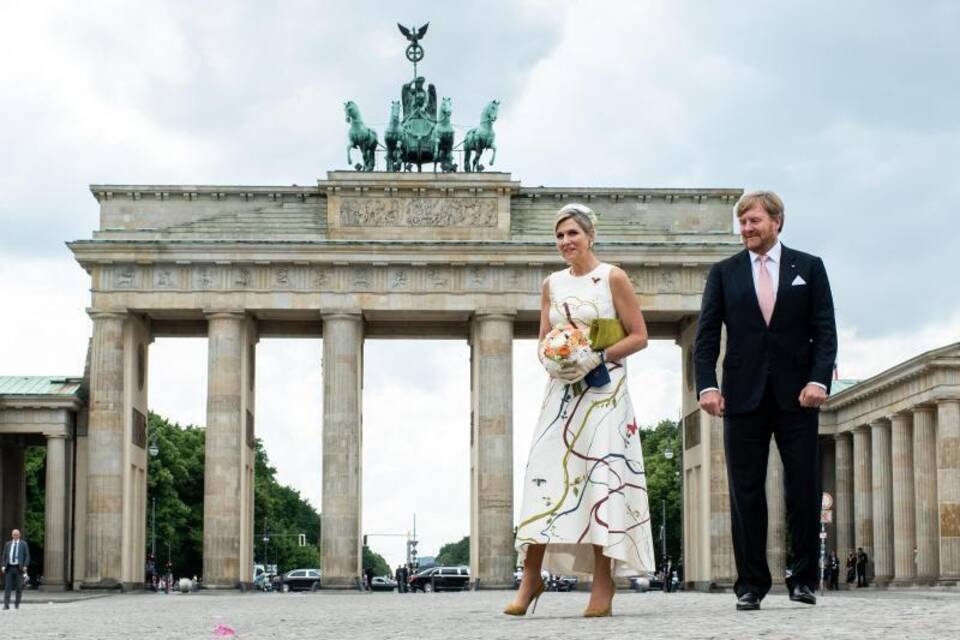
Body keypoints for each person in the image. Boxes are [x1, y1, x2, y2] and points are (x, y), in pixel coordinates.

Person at [507, 203, 655, 618]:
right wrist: (554, 359)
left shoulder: (612, 277)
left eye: (572, 233)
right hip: (561, 392)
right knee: (545, 475)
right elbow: (542, 340)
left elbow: (640, 336)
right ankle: (531, 576)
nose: (566, 242)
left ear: (590, 236)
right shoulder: (551, 284)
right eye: (559, 236)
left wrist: (596, 356)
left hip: (605, 391)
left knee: (601, 479)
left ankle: (603, 585)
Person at [695, 190, 837, 611]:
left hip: (798, 396)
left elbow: (825, 330)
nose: (746, 229)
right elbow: (705, 337)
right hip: (742, 395)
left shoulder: (809, 268)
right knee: (746, 493)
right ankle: (751, 583)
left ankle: (803, 579)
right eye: (742, 223)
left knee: (803, 488)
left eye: (754, 221)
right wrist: (707, 386)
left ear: (778, 222)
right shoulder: (724, 272)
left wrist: (819, 380)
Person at [2, 529, 31, 610]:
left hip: (19, 568)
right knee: (7, 587)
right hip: (9, 568)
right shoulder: (8, 544)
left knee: (19, 587)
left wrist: (25, 565)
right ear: (12, 535)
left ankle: (17, 604)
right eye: (14, 534)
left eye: (17, 534)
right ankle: (6, 605)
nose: (15, 536)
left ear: (19, 535)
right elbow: (4, 556)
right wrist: (3, 566)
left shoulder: (23, 544)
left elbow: (27, 556)